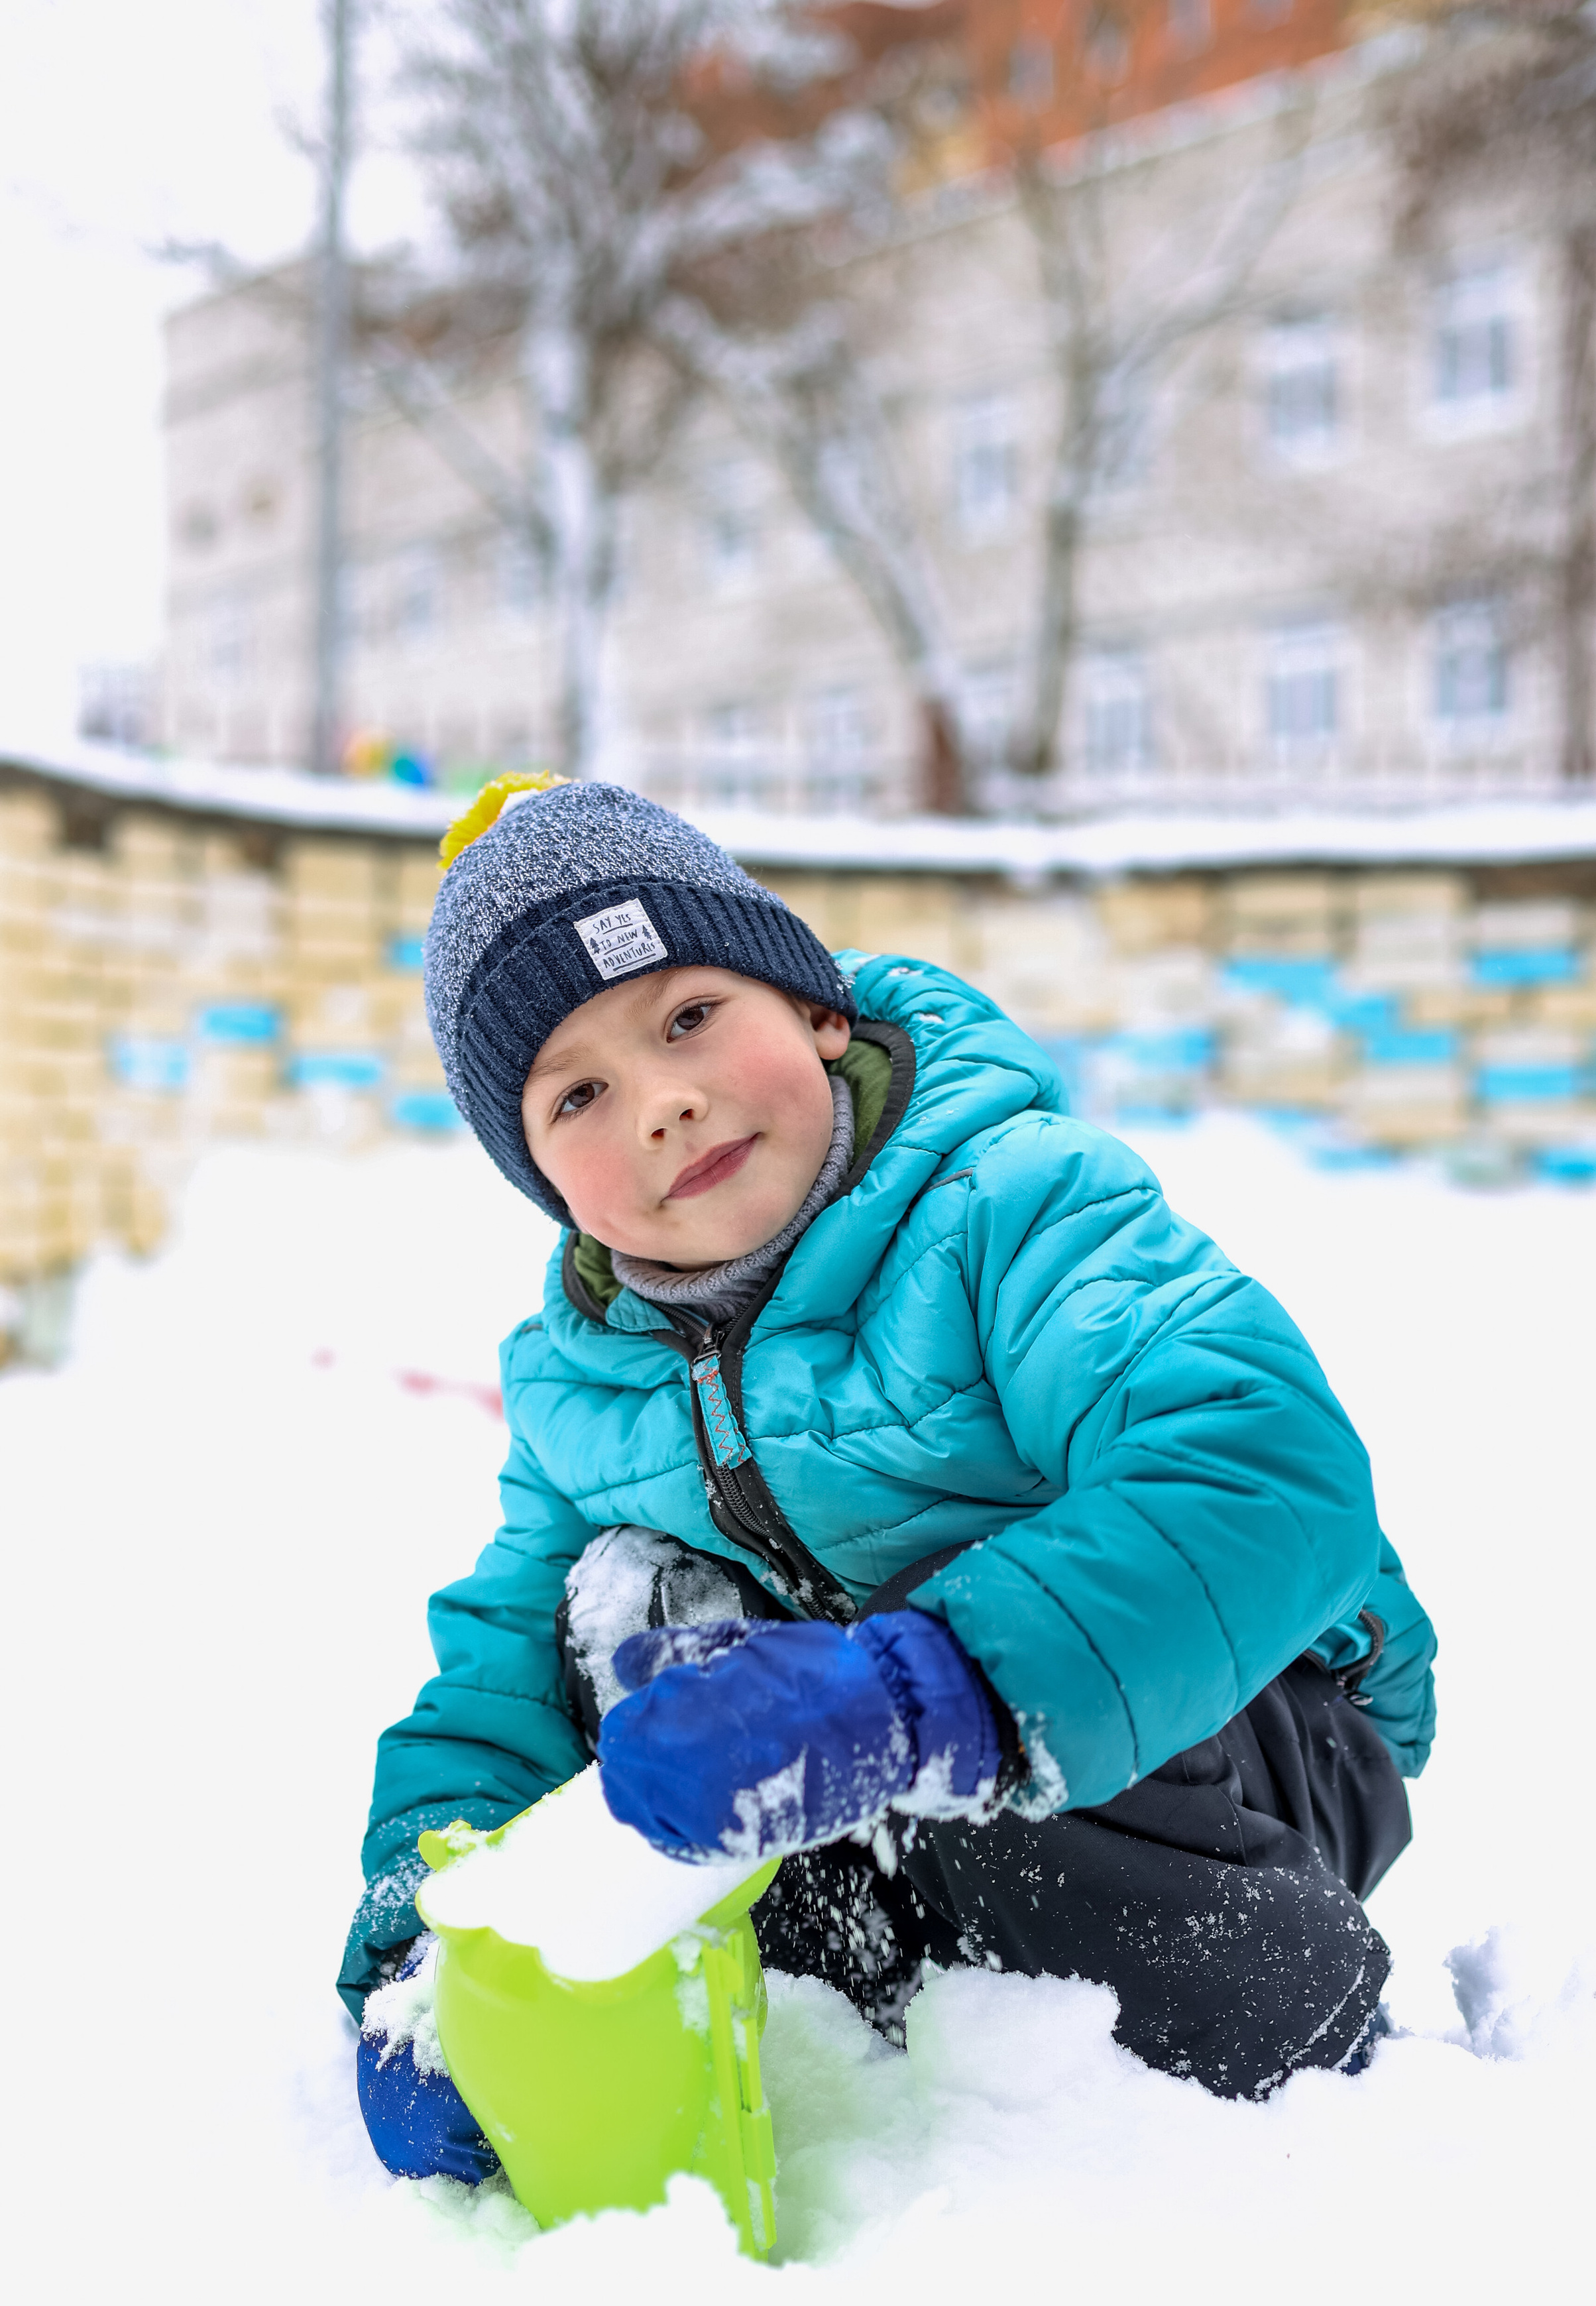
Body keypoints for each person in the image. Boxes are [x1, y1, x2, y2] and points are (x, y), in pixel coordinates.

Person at [345, 777, 1436, 2181]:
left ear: (816, 1011)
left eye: (687, 1019)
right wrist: (421, 1952)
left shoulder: (1010, 1202)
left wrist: (918, 1692)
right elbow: (496, 1677)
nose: (664, 1104)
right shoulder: (582, 1379)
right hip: (876, 1779)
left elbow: (1259, 1464)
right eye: (579, 1095)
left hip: (1239, 1724)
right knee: (621, 1608)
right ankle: (848, 1995)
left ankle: (1275, 2045)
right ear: (544, 1179)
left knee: (921, 1621)